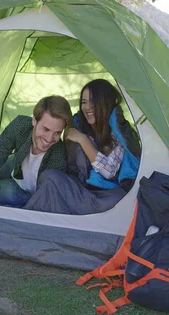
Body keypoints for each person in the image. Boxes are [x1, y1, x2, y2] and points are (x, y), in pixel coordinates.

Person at [24, 79, 141, 214]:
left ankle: (40, 214)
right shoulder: (77, 125)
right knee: (50, 177)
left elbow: (109, 172)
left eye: (93, 102)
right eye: (84, 102)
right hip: (80, 189)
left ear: (105, 103)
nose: (87, 107)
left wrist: (82, 140)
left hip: (104, 194)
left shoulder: (118, 133)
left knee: (119, 198)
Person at [0, 95, 73, 207]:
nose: (49, 138)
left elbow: (46, 201)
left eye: (57, 133)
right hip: (16, 163)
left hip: (22, 189)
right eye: (46, 129)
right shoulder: (20, 126)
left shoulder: (58, 158)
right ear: (34, 121)